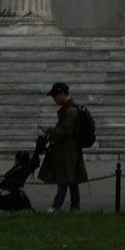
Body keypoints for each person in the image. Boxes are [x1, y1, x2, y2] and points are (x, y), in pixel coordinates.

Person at [42, 81, 89, 213]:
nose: (54, 99)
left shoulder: (70, 111)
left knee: (63, 180)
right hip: (71, 150)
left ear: (61, 94)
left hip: (67, 151)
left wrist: (49, 130)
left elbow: (65, 132)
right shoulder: (71, 109)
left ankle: (56, 206)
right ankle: (75, 207)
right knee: (72, 180)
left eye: (54, 96)